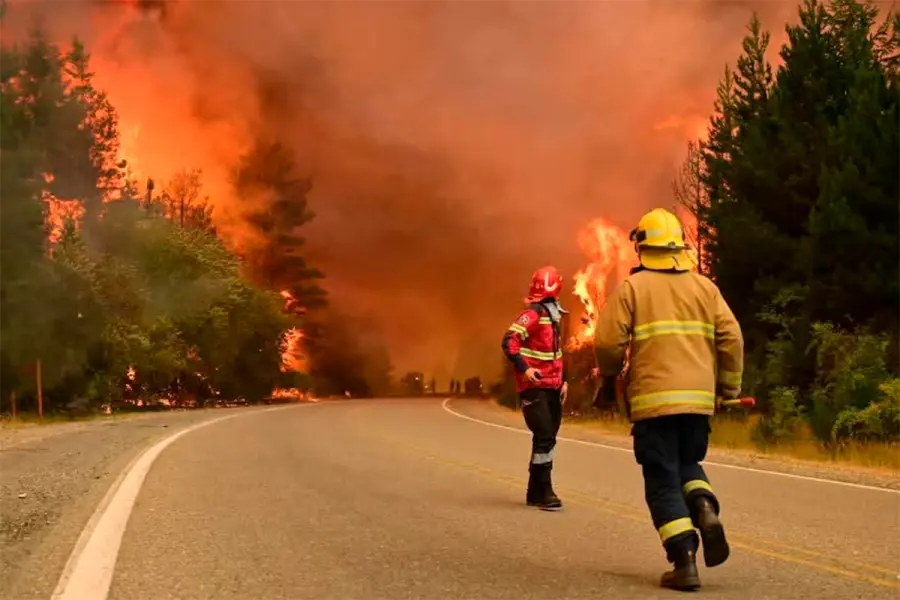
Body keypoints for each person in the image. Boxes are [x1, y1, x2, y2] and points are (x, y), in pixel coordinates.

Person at [592, 208, 744, 591]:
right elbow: (732, 338)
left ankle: (684, 561)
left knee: (662, 478)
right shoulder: (705, 288)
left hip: (654, 404)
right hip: (697, 404)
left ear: (642, 247)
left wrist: (609, 376)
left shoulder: (633, 288)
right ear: (678, 245)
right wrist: (727, 389)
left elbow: (608, 343)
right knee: (688, 463)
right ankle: (704, 507)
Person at [501, 265, 569, 511]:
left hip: (553, 385)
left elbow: (558, 353)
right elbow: (509, 341)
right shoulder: (532, 314)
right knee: (544, 436)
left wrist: (564, 381)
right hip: (534, 386)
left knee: (547, 438)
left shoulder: (554, 315)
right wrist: (525, 369)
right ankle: (545, 491)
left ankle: (534, 492)